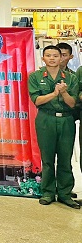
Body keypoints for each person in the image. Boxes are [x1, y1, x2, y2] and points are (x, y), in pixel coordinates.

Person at [28, 45, 79, 209]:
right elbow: (37, 100)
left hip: (66, 120)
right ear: (43, 58)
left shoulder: (71, 78)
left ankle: (65, 193)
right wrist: (54, 94)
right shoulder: (35, 76)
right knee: (47, 159)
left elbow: (72, 103)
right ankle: (48, 192)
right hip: (46, 119)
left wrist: (64, 93)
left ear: (61, 58)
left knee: (65, 158)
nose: (52, 58)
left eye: (55, 56)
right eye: (48, 55)